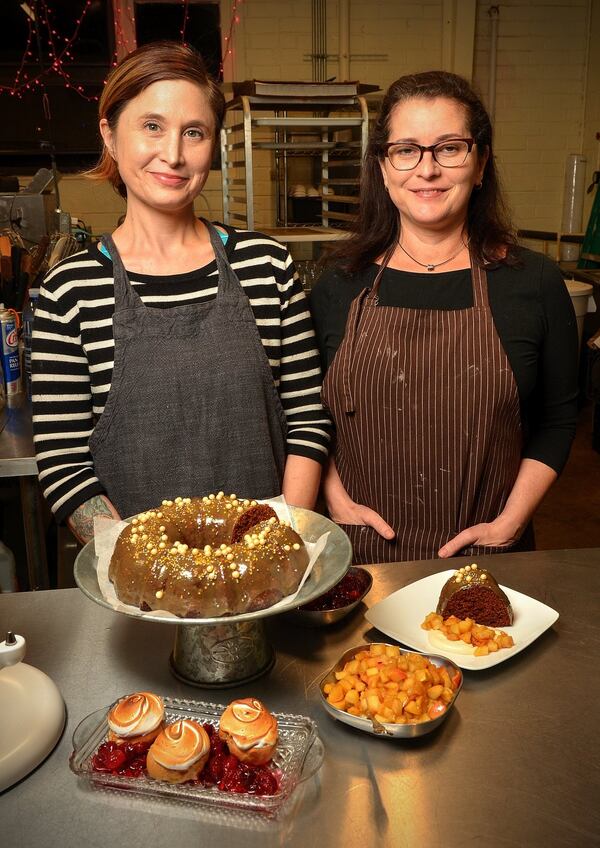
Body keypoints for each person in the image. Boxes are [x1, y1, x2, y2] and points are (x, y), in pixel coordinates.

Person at [32, 42, 330, 545]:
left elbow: (306, 420)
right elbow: (64, 465)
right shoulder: (70, 291)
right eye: (152, 126)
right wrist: (149, 567)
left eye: (194, 133)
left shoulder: (266, 266)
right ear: (110, 134)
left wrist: (275, 546)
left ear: (212, 145)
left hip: (266, 571)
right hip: (138, 586)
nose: (172, 154)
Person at [310, 70, 578, 564]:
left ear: (480, 165)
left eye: (449, 148)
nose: (426, 170)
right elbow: (306, 413)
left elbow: (558, 419)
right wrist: (334, 495)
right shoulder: (336, 283)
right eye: (406, 149)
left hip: (491, 556)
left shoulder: (534, 282)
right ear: (384, 167)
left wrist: (511, 523)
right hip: (360, 557)